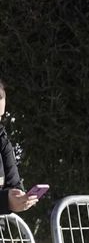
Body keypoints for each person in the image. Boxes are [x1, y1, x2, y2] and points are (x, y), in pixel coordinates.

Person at [0, 80, 43, 217]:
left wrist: (20, 198)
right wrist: (5, 200)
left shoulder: (2, 140)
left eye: (0, 116)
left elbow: (14, 185)